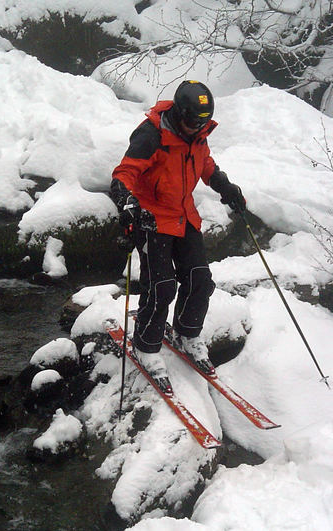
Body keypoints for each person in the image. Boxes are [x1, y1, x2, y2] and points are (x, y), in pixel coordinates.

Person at [110, 80, 246, 388]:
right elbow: (124, 173)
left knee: (200, 280)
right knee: (162, 287)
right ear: (180, 113)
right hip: (152, 219)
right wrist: (126, 201)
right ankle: (145, 346)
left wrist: (225, 187)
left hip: (184, 216)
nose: (197, 128)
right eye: (192, 122)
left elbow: (204, 164)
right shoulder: (151, 135)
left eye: (202, 123)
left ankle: (187, 332)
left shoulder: (197, 134)